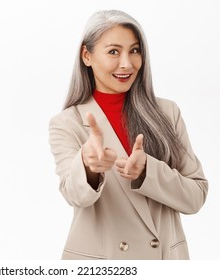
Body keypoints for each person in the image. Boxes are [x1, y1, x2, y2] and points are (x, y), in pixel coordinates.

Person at [48, 10, 208, 260]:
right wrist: (90, 168)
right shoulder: (67, 123)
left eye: (134, 50)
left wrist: (148, 171)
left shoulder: (167, 113)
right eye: (113, 51)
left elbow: (195, 197)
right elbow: (75, 196)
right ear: (86, 55)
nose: (127, 63)